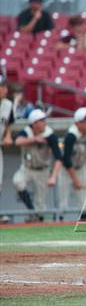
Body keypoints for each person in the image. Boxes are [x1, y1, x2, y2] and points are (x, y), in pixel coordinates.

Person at [13, 109, 62, 222]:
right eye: (42, 121)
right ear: (34, 124)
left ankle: (36, 218)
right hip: (27, 168)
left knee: (41, 207)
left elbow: (59, 158)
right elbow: (17, 141)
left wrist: (53, 176)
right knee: (17, 181)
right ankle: (31, 210)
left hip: (42, 170)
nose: (45, 123)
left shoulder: (49, 135)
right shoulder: (27, 131)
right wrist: (34, 139)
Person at [0, 76, 14, 223]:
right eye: (2, 87)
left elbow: (9, 123)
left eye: (5, 86)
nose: (5, 89)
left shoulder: (8, 104)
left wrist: (8, 135)